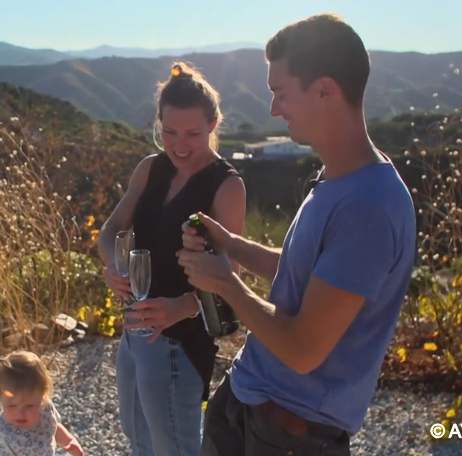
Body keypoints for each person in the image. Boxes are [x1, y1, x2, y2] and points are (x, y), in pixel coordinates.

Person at [177, 14, 417, 456]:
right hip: (254, 402)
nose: (273, 109)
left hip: (291, 432)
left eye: (280, 93)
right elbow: (304, 273)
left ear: (325, 90)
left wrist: (225, 284)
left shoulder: (369, 205)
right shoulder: (338, 179)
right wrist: (230, 244)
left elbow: (304, 349)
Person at [97, 61, 246, 455]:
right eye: (170, 132)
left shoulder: (226, 186)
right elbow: (111, 230)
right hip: (134, 333)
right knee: (139, 441)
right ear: (158, 124)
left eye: (193, 133)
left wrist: (183, 305)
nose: (180, 144)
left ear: (214, 124)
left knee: (176, 448)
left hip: (181, 341)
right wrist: (113, 265)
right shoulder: (150, 169)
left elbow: (234, 273)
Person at [0, 350, 83, 456]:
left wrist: (69, 441)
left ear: (43, 397)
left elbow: (53, 427)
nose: (20, 413)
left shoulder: (45, 409)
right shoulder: (0, 433)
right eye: (12, 406)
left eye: (29, 406)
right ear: (0, 398)